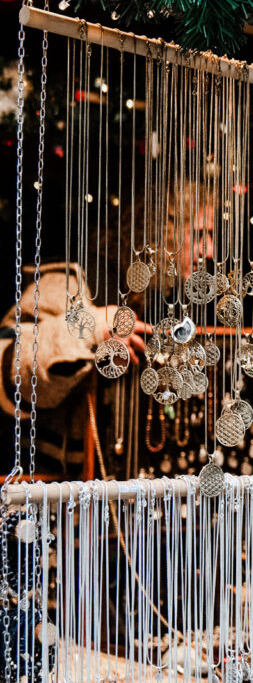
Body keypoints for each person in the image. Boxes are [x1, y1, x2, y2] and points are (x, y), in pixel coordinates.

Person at [0, 181, 215, 477]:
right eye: (200, 235)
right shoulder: (74, 281)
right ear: (162, 230)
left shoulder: (160, 299)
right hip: (62, 498)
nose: (209, 250)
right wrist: (92, 328)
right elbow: (10, 364)